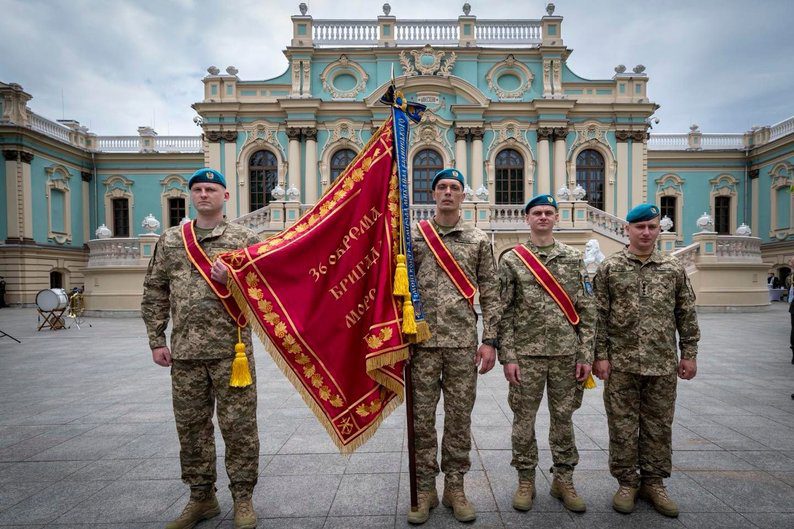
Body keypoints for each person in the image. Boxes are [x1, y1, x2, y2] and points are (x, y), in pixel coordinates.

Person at [141, 168, 261, 529]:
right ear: (191, 196)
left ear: (226, 196)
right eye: (197, 189)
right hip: (185, 354)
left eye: (211, 189)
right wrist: (156, 340)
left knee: (239, 427)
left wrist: (236, 280)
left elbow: (265, 292)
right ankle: (201, 498)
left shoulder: (245, 237)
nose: (203, 194)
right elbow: (154, 290)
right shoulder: (172, 239)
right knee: (191, 429)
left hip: (232, 352)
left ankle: (242, 498)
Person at [592, 203, 700, 518]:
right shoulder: (610, 267)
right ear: (628, 229)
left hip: (662, 362)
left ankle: (654, 483)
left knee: (658, 425)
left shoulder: (673, 268)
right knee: (622, 426)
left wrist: (689, 353)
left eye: (652, 227)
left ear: (658, 229)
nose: (647, 232)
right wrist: (600, 356)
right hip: (621, 364)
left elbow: (686, 312)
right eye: (640, 227)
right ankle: (626, 482)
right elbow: (598, 315)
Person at [407, 168, 500, 524]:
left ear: (463, 196)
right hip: (422, 344)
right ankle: (426, 487)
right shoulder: (414, 236)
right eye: (442, 187)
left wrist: (490, 340)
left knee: (459, 419)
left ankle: (456, 487)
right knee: (422, 420)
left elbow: (491, 292)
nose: (448, 192)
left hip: (463, 344)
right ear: (433, 194)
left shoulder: (478, 240)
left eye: (454, 188)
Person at [497, 194, 595, 514]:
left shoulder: (572, 258)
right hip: (526, 355)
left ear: (556, 218)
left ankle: (563, 478)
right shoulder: (512, 259)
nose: (542, 217)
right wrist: (508, 356)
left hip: (566, 354)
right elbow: (504, 311)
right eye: (536, 212)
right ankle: (526, 479)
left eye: (548, 212)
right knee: (523, 421)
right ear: (527, 219)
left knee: (563, 419)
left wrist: (585, 355)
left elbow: (587, 308)